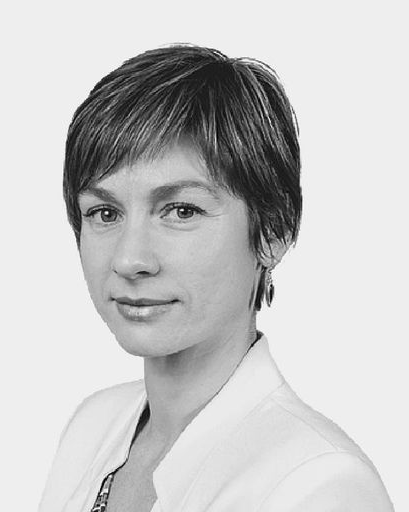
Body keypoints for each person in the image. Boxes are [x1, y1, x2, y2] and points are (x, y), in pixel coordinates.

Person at [39, 44, 394, 512]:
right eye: (105, 212)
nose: (129, 259)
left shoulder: (319, 484)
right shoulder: (90, 428)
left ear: (273, 230)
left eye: (182, 210)